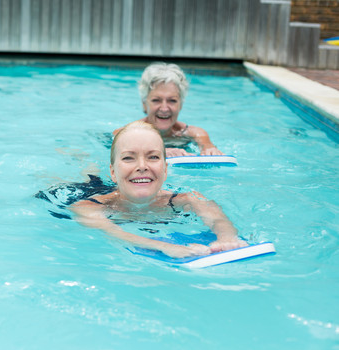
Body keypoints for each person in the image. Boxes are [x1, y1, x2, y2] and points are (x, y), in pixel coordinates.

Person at [71, 121, 246, 258]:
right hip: (90, 190)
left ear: (165, 170)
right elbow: (114, 233)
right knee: (89, 176)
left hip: (128, 184)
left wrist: (227, 239)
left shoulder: (188, 199)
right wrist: (166, 247)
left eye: (153, 157)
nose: (142, 166)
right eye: (128, 158)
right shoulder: (87, 206)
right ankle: (81, 159)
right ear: (113, 172)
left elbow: (217, 220)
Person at [114, 62, 224, 157]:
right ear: (144, 104)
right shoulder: (125, 133)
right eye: (156, 100)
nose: (164, 108)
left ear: (180, 105)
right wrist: (158, 153)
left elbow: (207, 147)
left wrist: (210, 150)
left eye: (172, 100)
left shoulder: (194, 134)